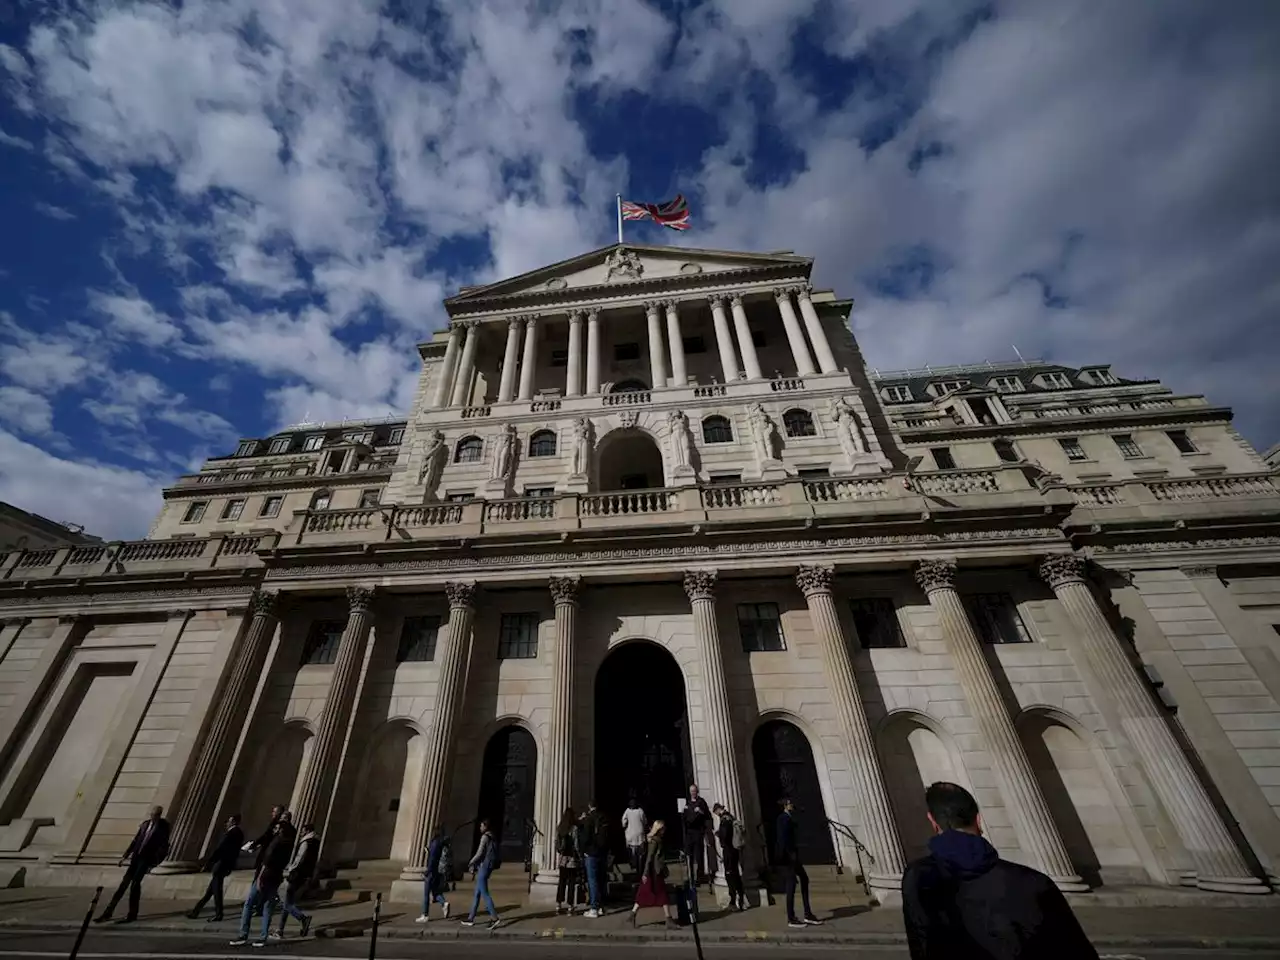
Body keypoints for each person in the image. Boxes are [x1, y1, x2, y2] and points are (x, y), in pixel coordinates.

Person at [902, 782, 1099, 960]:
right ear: (978, 820)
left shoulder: (918, 879)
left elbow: (922, 947)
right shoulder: (1034, 883)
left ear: (933, 822)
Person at [95, 805, 171, 924]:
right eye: (151, 815)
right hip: (135, 858)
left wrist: (155, 863)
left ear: (159, 815)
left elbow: (164, 847)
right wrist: (124, 857)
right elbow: (135, 841)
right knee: (122, 886)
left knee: (135, 885)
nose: (153, 817)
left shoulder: (164, 827)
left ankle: (132, 914)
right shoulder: (145, 824)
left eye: (155, 815)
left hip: (146, 860)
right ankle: (108, 913)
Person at [230, 814, 295, 946]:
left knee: (249, 904)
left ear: (281, 830)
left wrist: (259, 878)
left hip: (266, 875)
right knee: (267, 907)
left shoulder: (276, 841)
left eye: (277, 828)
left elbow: (266, 861)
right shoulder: (289, 844)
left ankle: (243, 934)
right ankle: (263, 936)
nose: (274, 829)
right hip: (277, 875)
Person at [775, 798, 822, 929]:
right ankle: (791, 917)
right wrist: (790, 855)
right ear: (785, 806)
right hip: (788, 858)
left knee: (804, 879)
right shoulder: (783, 818)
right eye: (790, 804)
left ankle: (807, 913)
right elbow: (783, 839)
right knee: (791, 885)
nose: (792, 805)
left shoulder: (789, 817)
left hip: (792, 857)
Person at [188, 814, 244, 922]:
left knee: (217, 891)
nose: (227, 823)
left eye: (228, 821)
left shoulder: (231, 833)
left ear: (233, 822)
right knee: (210, 891)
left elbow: (220, 849)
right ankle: (196, 911)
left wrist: (208, 862)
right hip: (226, 864)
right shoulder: (239, 833)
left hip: (221, 864)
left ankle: (219, 914)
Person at [272, 821, 318, 938]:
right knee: (288, 902)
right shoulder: (315, 842)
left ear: (307, 831)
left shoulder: (306, 843)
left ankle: (303, 918)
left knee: (286, 902)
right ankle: (280, 930)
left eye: (302, 831)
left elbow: (299, 859)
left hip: (297, 875)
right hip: (305, 875)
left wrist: (291, 868)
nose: (301, 833)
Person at [628, 821, 678, 930]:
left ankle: (632, 915)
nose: (664, 831)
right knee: (660, 894)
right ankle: (668, 920)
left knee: (647, 893)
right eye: (663, 829)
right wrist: (646, 873)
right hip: (654, 872)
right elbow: (649, 858)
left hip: (653, 871)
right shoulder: (655, 841)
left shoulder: (654, 840)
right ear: (659, 829)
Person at [244, 804, 287, 918]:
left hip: (267, 860)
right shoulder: (280, 827)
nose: (272, 814)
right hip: (271, 860)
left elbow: (266, 837)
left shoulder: (276, 826)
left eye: (274, 812)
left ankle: (257, 905)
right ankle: (261, 904)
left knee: (259, 882)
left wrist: (254, 844)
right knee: (265, 884)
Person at [460, 819, 502, 930]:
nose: (480, 828)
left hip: (484, 866)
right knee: (477, 893)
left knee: (484, 893)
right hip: (488, 866)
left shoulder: (485, 837)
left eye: (481, 826)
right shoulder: (493, 837)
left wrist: (471, 862)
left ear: (485, 827)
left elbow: (479, 853)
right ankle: (471, 918)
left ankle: (494, 918)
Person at [713, 803, 747, 911]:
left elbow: (725, 836)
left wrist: (719, 835)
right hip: (735, 850)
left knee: (730, 875)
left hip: (729, 850)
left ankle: (734, 901)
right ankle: (740, 899)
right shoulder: (731, 817)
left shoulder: (724, 820)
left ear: (718, 810)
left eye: (716, 812)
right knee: (735, 873)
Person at [415, 824, 452, 922]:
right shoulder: (441, 842)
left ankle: (425, 914)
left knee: (426, 893)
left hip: (432, 871)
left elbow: (432, 859)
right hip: (437, 871)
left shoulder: (435, 842)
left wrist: (428, 871)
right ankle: (444, 903)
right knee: (435, 891)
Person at [579, 800, 607, 918]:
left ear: (589, 806)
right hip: (603, 852)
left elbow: (585, 837)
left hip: (591, 853)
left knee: (592, 880)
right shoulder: (604, 818)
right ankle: (601, 906)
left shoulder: (589, 819)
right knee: (601, 879)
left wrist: (583, 851)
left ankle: (594, 907)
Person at [682, 784, 712, 886]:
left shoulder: (701, 802)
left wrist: (701, 812)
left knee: (699, 855)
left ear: (697, 791)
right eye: (691, 791)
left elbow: (708, 816)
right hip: (689, 832)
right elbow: (683, 819)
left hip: (698, 832)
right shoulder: (687, 802)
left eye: (694, 791)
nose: (693, 793)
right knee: (688, 854)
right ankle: (690, 878)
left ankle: (700, 877)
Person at [554, 807, 580, 915]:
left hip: (562, 859)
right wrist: (579, 855)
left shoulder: (560, 828)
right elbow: (576, 844)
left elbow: (556, 842)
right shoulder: (574, 829)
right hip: (572, 859)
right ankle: (570, 905)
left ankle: (558, 904)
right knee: (571, 883)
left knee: (562, 882)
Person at [621, 794, 647, 875]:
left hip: (630, 834)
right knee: (640, 852)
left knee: (631, 851)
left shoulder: (627, 811)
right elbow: (644, 821)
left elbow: (623, 822)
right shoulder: (640, 811)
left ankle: (633, 864)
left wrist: (625, 826)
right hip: (639, 834)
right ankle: (639, 867)